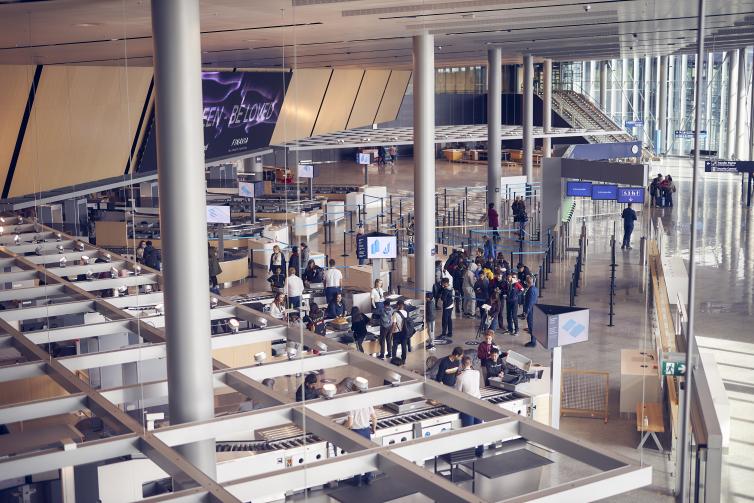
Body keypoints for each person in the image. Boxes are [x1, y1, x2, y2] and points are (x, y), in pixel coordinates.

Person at [344, 404, 377, 486]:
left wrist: (342, 426)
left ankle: (357, 481)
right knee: (367, 455)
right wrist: (374, 428)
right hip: (366, 431)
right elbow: (374, 418)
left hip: (356, 432)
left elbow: (350, 423)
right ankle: (368, 478)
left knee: (357, 456)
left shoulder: (352, 406)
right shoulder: (368, 403)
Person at [523, 275, 539, 347]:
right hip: (534, 309)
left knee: (531, 325)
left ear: (527, 282)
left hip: (531, 310)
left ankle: (533, 342)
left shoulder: (531, 290)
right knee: (531, 325)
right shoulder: (535, 289)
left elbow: (530, 303)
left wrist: (526, 312)